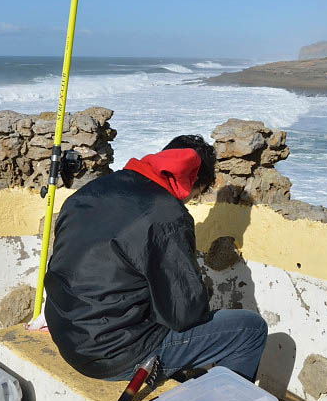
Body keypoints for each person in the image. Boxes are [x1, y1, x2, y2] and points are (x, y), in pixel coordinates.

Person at [44, 134, 268, 383]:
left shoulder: (94, 189)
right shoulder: (167, 216)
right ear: (192, 183)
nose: (188, 202)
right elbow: (184, 314)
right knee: (249, 329)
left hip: (66, 333)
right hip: (111, 354)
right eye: (195, 195)